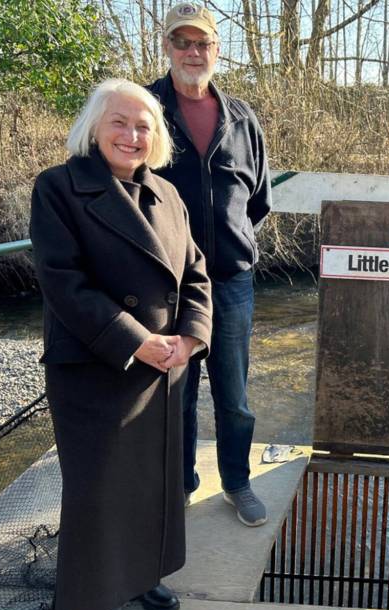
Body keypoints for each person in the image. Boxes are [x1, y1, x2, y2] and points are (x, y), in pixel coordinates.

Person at [30, 78, 213, 610]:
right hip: (96, 368)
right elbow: (64, 284)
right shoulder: (58, 188)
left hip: (166, 371)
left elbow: (196, 273)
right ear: (94, 126)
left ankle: (142, 579)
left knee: (151, 484)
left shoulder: (168, 194)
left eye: (144, 126)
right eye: (120, 122)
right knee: (93, 496)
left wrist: (189, 337)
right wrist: (138, 341)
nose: (133, 135)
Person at [146, 3, 272, 526]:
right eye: (183, 42)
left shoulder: (243, 119)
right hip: (165, 286)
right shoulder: (145, 110)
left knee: (235, 395)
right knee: (173, 396)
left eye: (203, 43)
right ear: (167, 47)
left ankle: (237, 482)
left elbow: (258, 199)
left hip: (231, 284)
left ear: (217, 50)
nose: (193, 52)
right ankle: (179, 485)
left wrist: (232, 243)